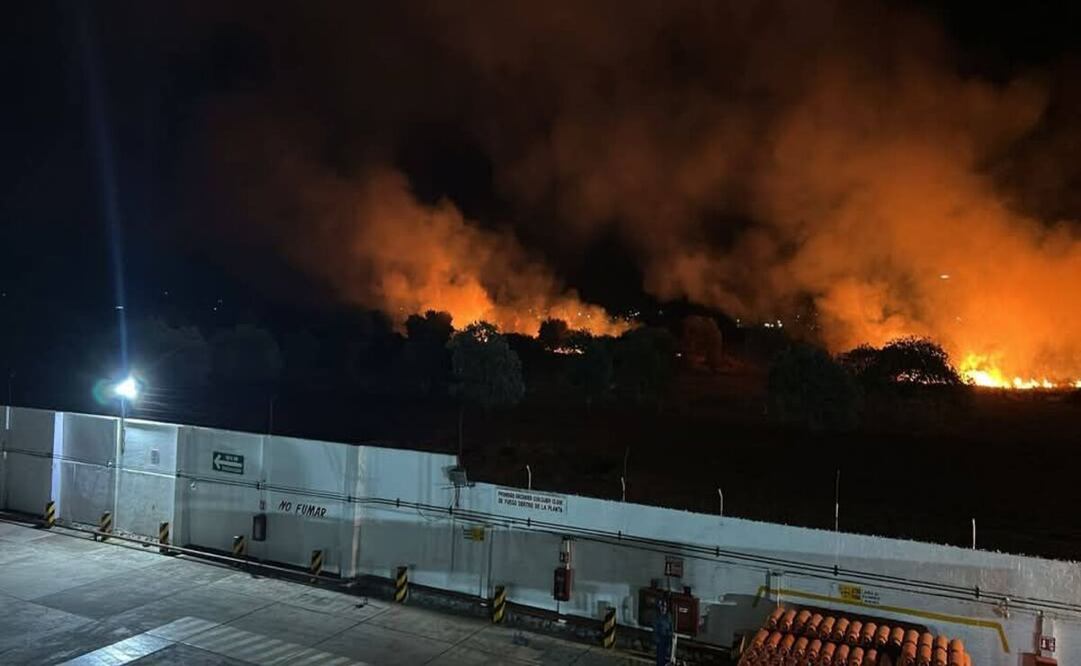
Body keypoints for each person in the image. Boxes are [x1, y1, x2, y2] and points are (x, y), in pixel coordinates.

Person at [653, 597, 673, 666]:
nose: (663, 609)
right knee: (660, 656)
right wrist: (657, 639)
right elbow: (655, 629)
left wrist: (670, 636)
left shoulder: (669, 617)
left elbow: (671, 627)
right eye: (662, 607)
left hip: (667, 638)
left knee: (667, 655)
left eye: (664, 607)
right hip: (661, 639)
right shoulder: (657, 617)